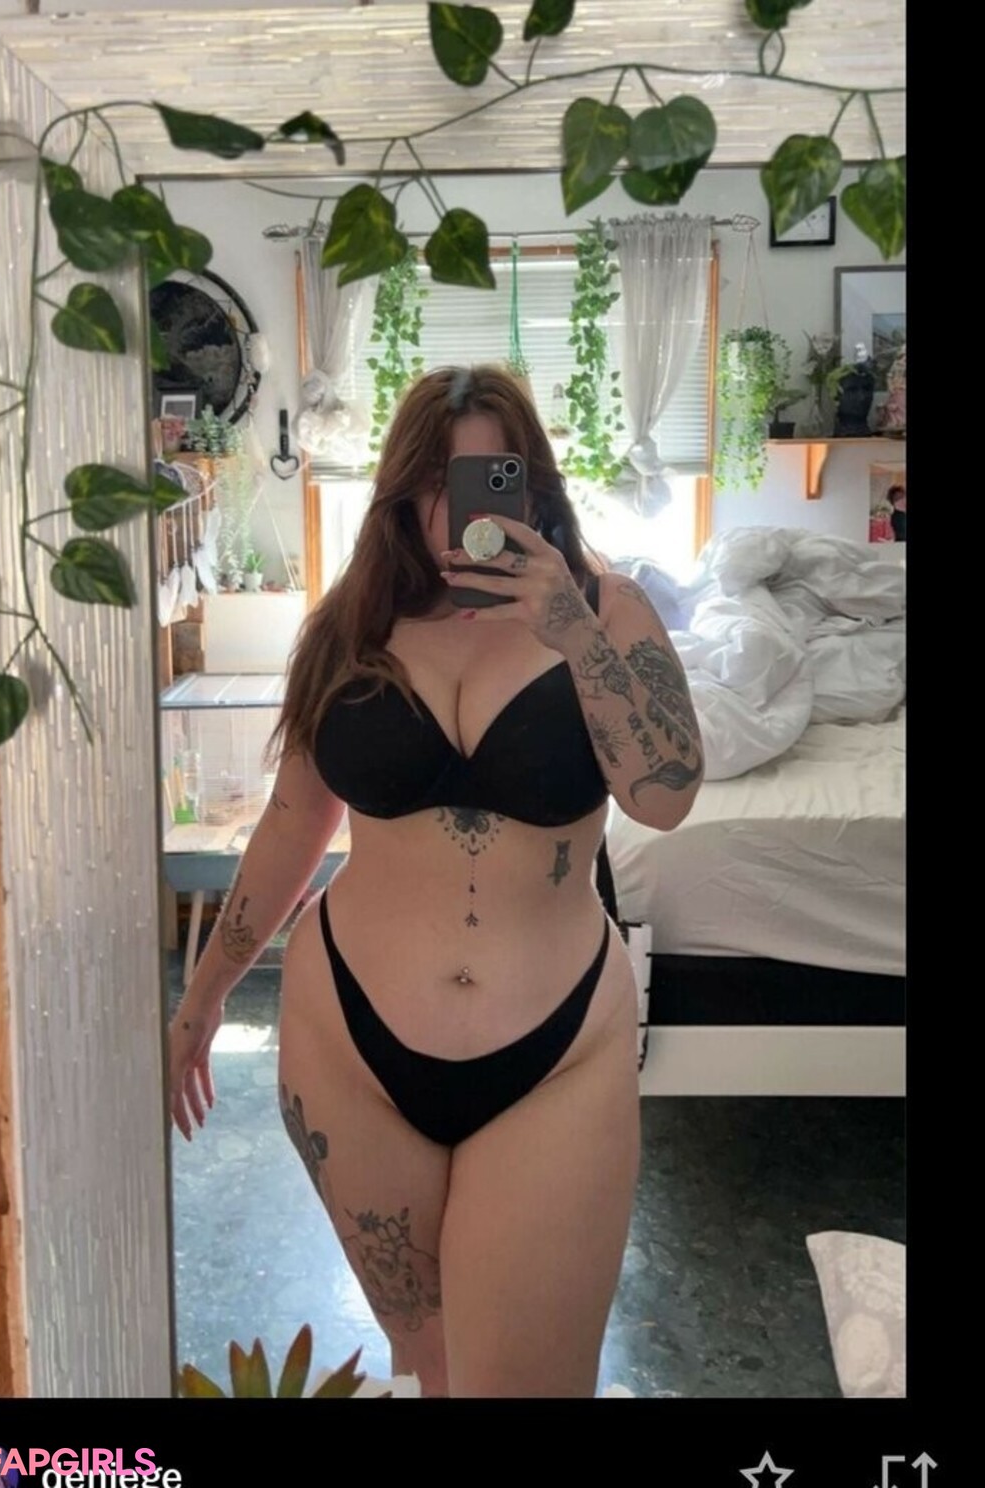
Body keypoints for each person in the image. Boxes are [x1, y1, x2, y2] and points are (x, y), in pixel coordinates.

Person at [168, 365, 705, 1398]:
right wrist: (202, 1000)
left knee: (529, 1384)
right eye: (435, 482)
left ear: (532, 484)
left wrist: (572, 630)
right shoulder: (349, 630)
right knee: (433, 1367)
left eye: (492, 477)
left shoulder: (612, 612)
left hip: (557, 1057)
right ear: (400, 490)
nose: (459, 510)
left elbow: (666, 796)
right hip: (349, 1049)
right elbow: (294, 820)